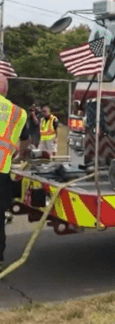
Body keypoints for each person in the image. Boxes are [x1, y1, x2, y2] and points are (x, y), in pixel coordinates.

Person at [0, 74, 28, 270]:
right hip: (2, 171)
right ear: (6, 89)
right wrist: (18, 154)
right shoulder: (18, 113)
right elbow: (23, 141)